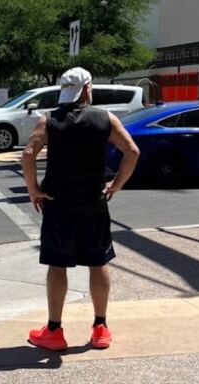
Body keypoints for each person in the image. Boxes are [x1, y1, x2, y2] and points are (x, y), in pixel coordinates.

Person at [21, 67, 140, 351]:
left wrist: (34, 189)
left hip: (58, 203)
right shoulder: (105, 118)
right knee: (98, 262)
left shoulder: (49, 120)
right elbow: (132, 151)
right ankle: (100, 328)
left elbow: (28, 153)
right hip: (93, 203)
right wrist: (116, 185)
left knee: (57, 265)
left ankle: (54, 331)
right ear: (87, 88)